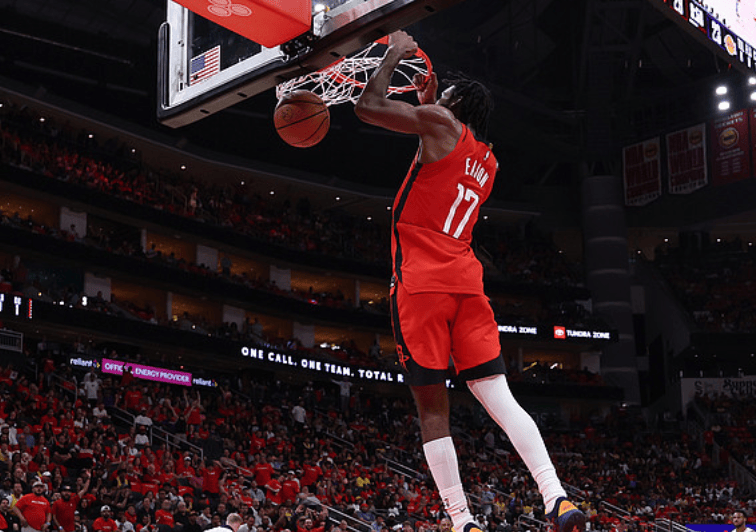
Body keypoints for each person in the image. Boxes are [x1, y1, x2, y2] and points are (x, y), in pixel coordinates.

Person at [355, 30, 585, 532]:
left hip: (422, 283)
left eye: (447, 97)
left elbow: (367, 108)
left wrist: (394, 53)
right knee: (500, 397)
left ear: (455, 105)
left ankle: (462, 521)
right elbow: (440, 155)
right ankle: (557, 497)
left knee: (432, 407)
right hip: (467, 282)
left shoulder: (441, 124)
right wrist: (427, 101)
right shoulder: (488, 160)